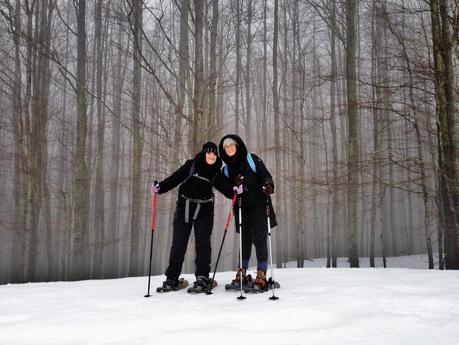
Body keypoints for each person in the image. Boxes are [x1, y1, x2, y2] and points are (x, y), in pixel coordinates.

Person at [153, 142, 233, 292]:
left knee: (203, 245)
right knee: (178, 245)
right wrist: (160, 187)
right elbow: (176, 178)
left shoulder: (216, 172)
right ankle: (171, 279)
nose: (212, 156)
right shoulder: (192, 165)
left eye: (214, 153)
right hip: (184, 209)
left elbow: (226, 188)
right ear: (204, 153)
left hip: (204, 212)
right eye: (209, 152)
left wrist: (235, 190)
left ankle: (202, 278)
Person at [218, 134, 277, 290]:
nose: (229, 148)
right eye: (226, 147)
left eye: (232, 145)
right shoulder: (226, 170)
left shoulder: (251, 159)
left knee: (260, 239)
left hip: (259, 205)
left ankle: (261, 273)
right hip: (241, 208)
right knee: (244, 240)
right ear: (224, 151)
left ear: (238, 146)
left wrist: (268, 185)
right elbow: (227, 190)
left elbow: (266, 175)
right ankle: (241, 271)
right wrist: (234, 186)